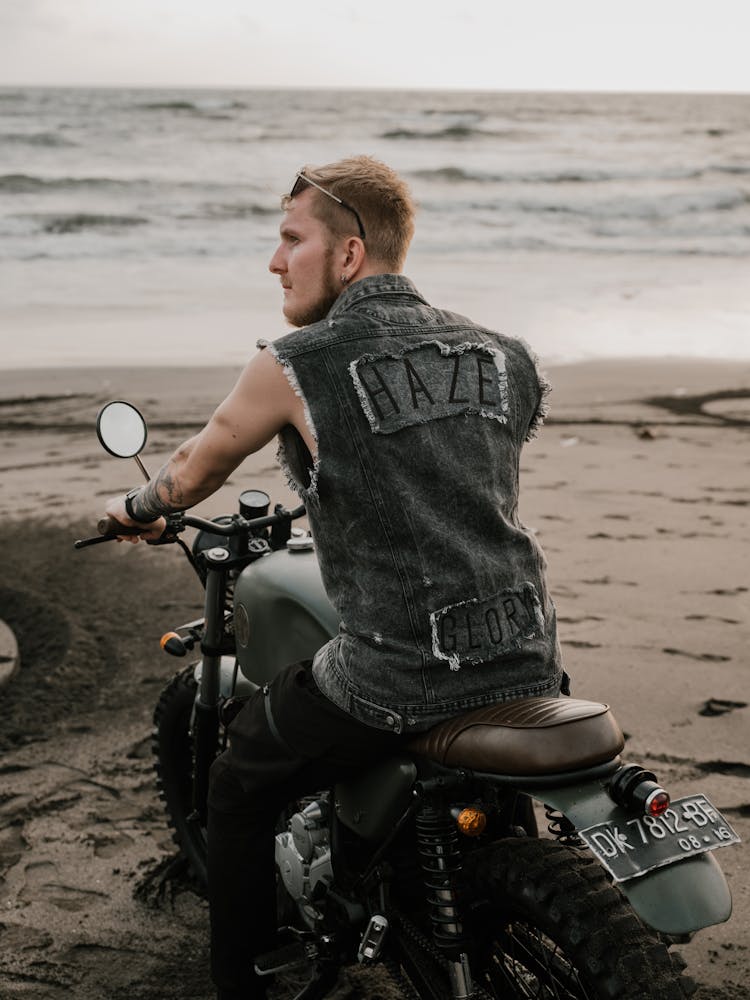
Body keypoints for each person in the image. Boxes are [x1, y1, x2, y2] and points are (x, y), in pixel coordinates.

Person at [104, 156, 564, 1000]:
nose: (274, 261)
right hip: (528, 654)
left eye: (290, 239)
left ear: (349, 255)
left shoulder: (297, 363)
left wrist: (134, 509)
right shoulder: (505, 355)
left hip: (400, 671)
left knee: (240, 781)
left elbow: (191, 472)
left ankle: (242, 983)